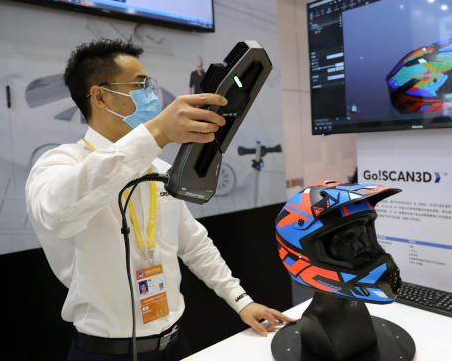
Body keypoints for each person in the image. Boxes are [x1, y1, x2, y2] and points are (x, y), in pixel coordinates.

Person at [26, 39, 295, 361]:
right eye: (140, 85)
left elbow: (194, 244)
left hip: (174, 343)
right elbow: (57, 214)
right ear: (99, 96)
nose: (151, 95)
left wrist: (241, 300)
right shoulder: (60, 163)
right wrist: (157, 133)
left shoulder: (158, 169)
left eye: (149, 85)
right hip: (105, 352)